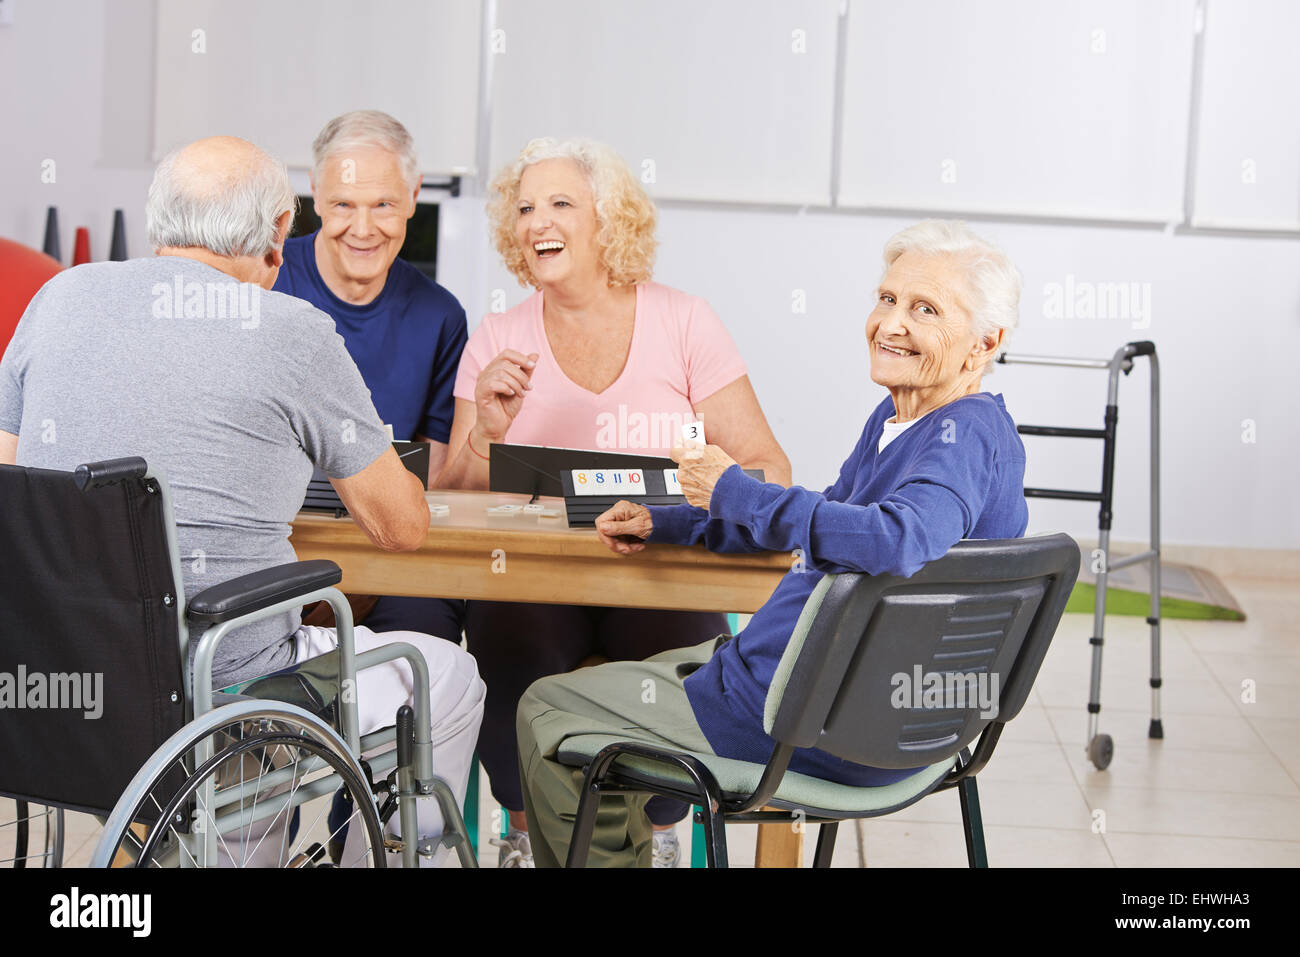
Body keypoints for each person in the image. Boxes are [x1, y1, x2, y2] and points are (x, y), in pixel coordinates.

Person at [0, 136, 484, 867]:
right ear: (281, 231)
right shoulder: (292, 332)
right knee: (448, 673)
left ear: (161, 218)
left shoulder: (56, 298)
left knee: (237, 779)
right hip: (225, 684)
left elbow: (15, 490)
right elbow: (402, 527)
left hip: (65, 682)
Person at [515, 219, 1030, 867]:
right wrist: (677, 519)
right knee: (653, 670)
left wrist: (733, 488)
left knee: (547, 708)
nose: (890, 323)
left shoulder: (963, 437)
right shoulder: (910, 422)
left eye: (924, 309)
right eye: (886, 298)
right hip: (864, 714)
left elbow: (901, 538)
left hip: (801, 719)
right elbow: (831, 521)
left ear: (986, 343)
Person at [439, 137, 791, 867]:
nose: (539, 220)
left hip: (660, 566)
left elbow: (767, 466)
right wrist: (488, 435)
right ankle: (529, 827)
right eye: (526, 207)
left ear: (611, 222)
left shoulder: (684, 321)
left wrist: (700, 479)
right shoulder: (497, 338)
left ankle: (658, 828)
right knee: (512, 649)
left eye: (562, 202)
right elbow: (453, 501)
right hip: (534, 580)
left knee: (685, 661)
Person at [273, 110, 468, 644]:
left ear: (412, 195)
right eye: (342, 205)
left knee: (422, 653)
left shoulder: (441, 315)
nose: (363, 229)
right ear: (313, 194)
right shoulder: (263, 285)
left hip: (394, 553)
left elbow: (438, 477)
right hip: (278, 551)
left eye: (382, 204)